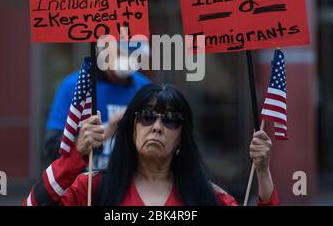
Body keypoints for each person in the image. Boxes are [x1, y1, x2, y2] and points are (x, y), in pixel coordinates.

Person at [26, 83, 278, 206]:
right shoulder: (91, 188)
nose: (157, 126)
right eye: (146, 116)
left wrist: (263, 173)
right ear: (131, 128)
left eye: (171, 120)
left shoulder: (212, 198)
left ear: (182, 137)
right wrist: (76, 155)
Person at [44, 41, 151, 169]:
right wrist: (102, 133)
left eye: (136, 56)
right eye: (121, 53)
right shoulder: (74, 86)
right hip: (83, 183)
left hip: (128, 183)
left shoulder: (145, 88)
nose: (128, 60)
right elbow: (52, 149)